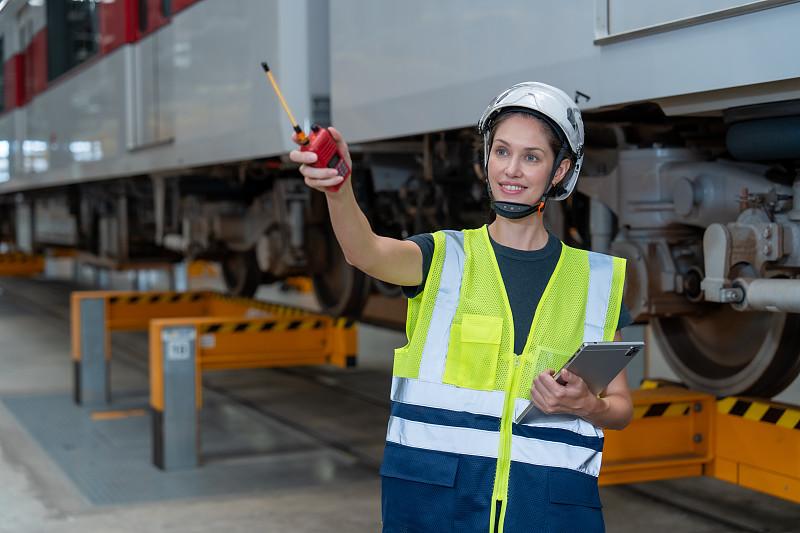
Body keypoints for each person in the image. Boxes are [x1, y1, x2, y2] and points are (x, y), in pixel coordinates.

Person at [290, 81, 634, 533]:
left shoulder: (595, 280)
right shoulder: (443, 257)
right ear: (486, 157)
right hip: (437, 507)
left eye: (531, 157)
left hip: (548, 512)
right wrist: (339, 190)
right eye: (501, 151)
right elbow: (365, 252)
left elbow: (622, 407)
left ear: (559, 171)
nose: (511, 170)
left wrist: (588, 405)